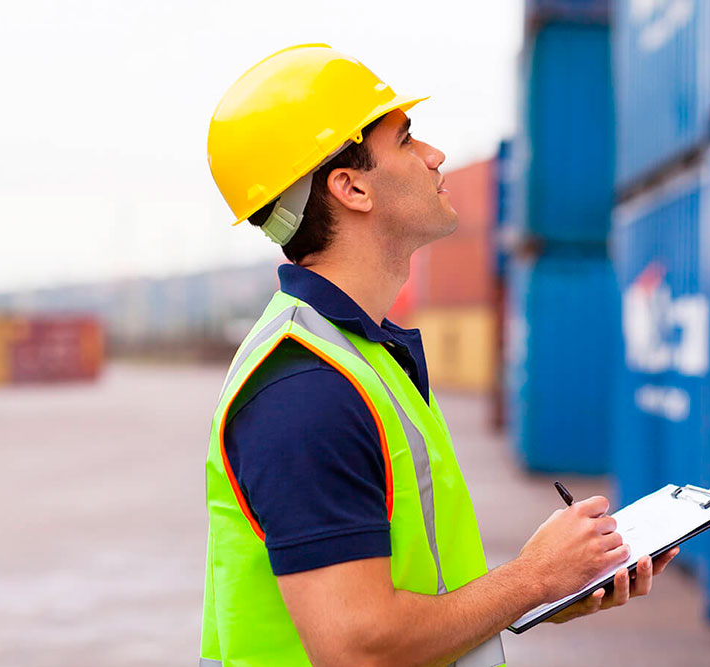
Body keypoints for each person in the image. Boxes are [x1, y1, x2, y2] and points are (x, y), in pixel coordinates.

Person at [201, 44, 678, 667]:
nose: (435, 156)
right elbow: (358, 645)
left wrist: (554, 588)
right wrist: (531, 577)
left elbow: (414, 594)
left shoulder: (360, 353)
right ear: (351, 188)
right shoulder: (306, 387)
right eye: (405, 140)